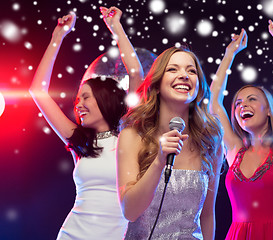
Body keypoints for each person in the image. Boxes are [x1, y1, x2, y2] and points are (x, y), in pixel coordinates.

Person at [29, 7, 143, 240]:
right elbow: (37, 91)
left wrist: (117, 28)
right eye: (77, 99)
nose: (78, 105)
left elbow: (136, 73)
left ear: (105, 99)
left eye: (86, 97)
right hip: (72, 234)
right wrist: (57, 37)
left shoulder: (129, 132)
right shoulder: (80, 141)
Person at [210, 21, 273, 239]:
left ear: (270, 111)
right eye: (237, 103)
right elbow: (214, 101)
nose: (242, 105)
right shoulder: (235, 151)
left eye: (252, 99)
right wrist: (229, 53)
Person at [117, 46, 224, 239]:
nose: (184, 75)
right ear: (156, 85)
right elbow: (130, 211)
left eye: (191, 71)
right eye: (173, 69)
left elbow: (207, 215)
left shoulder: (211, 139)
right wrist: (159, 162)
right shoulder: (132, 135)